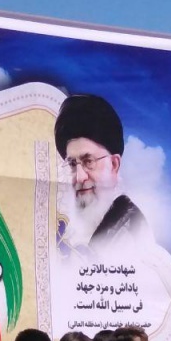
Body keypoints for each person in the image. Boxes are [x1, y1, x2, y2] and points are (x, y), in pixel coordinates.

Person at [54, 94, 151, 251]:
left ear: (113, 165)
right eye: (72, 164)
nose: (79, 177)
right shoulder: (78, 234)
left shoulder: (131, 236)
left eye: (88, 162)